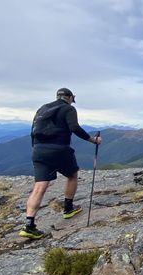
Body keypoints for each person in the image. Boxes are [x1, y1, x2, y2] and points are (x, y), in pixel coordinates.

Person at [19, 88, 102, 239]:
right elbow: (74, 127)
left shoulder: (42, 108)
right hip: (59, 149)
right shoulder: (68, 109)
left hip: (38, 150)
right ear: (70, 97)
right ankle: (68, 209)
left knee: (39, 187)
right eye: (72, 99)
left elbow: (33, 130)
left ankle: (29, 225)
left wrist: (37, 149)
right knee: (72, 175)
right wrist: (93, 140)